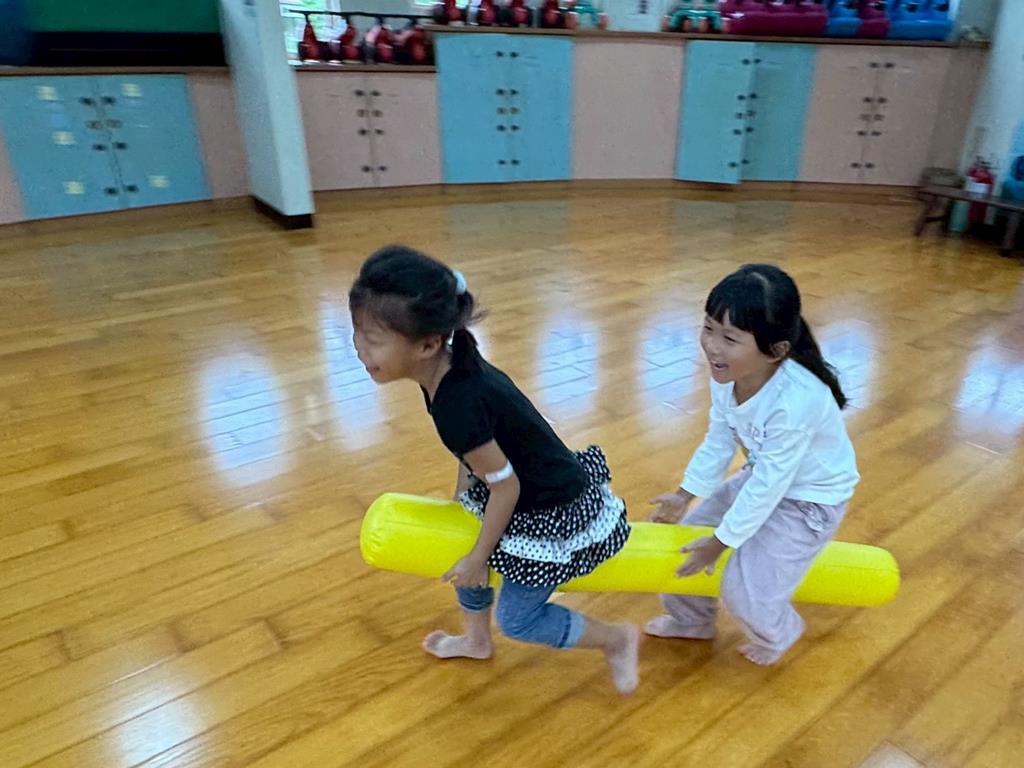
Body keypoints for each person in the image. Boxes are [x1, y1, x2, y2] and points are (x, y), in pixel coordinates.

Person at [350, 245, 640, 693]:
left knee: (518, 618)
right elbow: (476, 455)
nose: (359, 349)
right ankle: (476, 640)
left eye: (372, 340)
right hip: (512, 489)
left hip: (549, 508)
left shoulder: (458, 402)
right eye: (356, 333)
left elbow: (506, 486)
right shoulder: (447, 369)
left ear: (427, 344)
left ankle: (617, 639)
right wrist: (465, 510)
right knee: (465, 546)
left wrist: (478, 555)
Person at [646, 263, 859, 666]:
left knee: (745, 590)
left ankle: (780, 632)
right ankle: (693, 621)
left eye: (729, 338)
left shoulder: (795, 402)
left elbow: (771, 486)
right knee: (686, 546)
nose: (712, 346)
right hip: (761, 479)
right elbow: (719, 440)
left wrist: (722, 542)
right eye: (708, 328)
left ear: (775, 351)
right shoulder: (729, 374)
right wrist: (683, 496)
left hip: (808, 502)